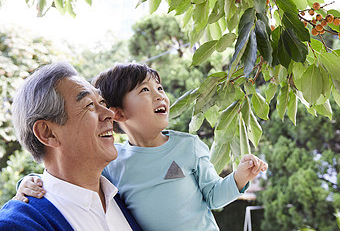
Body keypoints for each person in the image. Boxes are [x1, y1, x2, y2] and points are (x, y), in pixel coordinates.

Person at [17, 63, 268, 231]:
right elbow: (66, 180)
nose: (160, 95)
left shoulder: (188, 146)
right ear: (119, 114)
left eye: (159, 88)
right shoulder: (113, 165)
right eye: (145, 90)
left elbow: (213, 195)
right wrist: (30, 182)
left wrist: (238, 178)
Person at [0, 62, 142, 231]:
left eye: (102, 102)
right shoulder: (17, 225)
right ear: (48, 133)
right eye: (89, 105)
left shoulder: (125, 194)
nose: (109, 114)